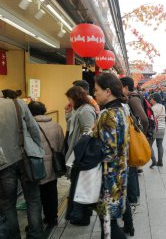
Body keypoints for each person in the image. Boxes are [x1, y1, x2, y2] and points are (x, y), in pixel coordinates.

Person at [0, 97, 44, 239]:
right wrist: (37, 149)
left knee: (7, 203)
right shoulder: (16, 103)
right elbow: (33, 128)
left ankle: (13, 236)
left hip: (4, 162)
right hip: (26, 157)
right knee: (33, 199)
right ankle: (36, 234)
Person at [93, 73, 130, 239]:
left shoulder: (109, 114)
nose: (95, 94)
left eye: (97, 90)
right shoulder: (121, 110)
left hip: (108, 178)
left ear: (108, 91)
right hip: (119, 174)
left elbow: (108, 151)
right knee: (108, 224)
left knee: (108, 224)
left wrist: (90, 139)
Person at [28, 101, 65, 228]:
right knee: (52, 192)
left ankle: (36, 224)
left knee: (36, 196)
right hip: (54, 167)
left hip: (37, 168)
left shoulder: (30, 127)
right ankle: (52, 218)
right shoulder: (56, 125)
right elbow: (61, 146)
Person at [64, 86, 96, 226]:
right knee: (77, 184)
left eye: (70, 99)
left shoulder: (86, 111)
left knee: (79, 185)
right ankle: (78, 215)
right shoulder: (80, 109)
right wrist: (67, 112)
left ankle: (81, 217)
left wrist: (79, 155)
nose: (69, 101)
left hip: (80, 154)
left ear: (75, 97)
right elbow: (71, 126)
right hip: (78, 153)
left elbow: (88, 133)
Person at [120, 76, 148, 206]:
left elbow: (144, 118)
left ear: (125, 87)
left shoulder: (133, 99)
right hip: (133, 135)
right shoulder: (133, 97)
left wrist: (141, 133)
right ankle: (135, 196)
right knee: (132, 169)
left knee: (131, 168)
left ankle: (134, 198)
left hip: (133, 135)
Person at [149, 93, 166, 168]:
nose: (150, 100)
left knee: (149, 145)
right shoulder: (163, 107)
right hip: (162, 128)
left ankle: (154, 160)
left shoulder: (153, 108)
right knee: (160, 145)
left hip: (155, 128)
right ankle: (160, 162)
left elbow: (152, 119)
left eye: (151, 99)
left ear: (155, 99)